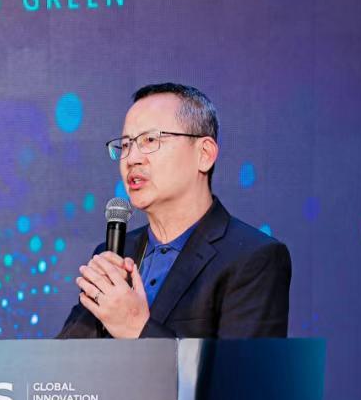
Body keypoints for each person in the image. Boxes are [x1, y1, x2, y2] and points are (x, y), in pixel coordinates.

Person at [56, 83, 291, 339]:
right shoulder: (115, 253)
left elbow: (242, 366)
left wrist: (137, 327)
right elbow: (64, 358)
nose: (132, 158)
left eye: (150, 140)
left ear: (204, 154)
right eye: (125, 145)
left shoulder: (253, 258)